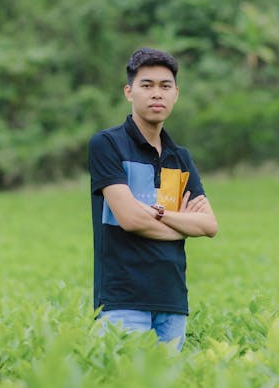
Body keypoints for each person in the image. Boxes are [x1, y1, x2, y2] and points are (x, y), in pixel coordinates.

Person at [88, 47, 218, 349]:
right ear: (129, 92)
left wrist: (159, 215)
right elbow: (130, 220)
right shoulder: (108, 145)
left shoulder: (180, 157)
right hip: (122, 300)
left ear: (176, 94)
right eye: (146, 85)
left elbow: (210, 225)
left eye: (165, 86)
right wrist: (184, 222)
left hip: (172, 301)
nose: (156, 94)